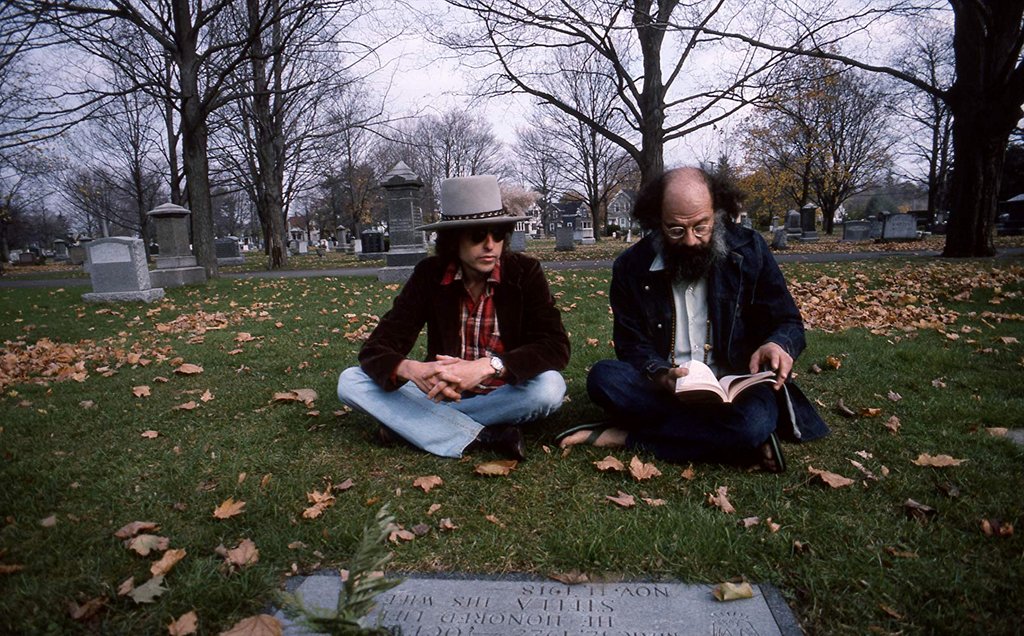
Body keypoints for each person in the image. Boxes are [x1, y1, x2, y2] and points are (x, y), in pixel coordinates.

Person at [557, 167, 828, 471]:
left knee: (753, 421)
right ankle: (733, 440)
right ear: (656, 220)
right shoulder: (631, 267)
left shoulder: (750, 250)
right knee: (604, 378)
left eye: (701, 227)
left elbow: (788, 322)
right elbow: (631, 345)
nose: (690, 240)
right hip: (665, 389)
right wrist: (662, 375)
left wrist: (778, 344)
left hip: (736, 391)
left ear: (718, 213)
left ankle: (628, 437)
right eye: (675, 229)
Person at [337, 175, 570, 460]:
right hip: (442, 392)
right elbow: (377, 347)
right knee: (350, 381)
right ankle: (483, 436)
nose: (490, 245)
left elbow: (555, 346)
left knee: (550, 388)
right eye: (477, 235)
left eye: (498, 234)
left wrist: (490, 366)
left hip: (505, 391)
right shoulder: (430, 274)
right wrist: (410, 369)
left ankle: (409, 425)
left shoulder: (525, 272)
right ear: (453, 239)